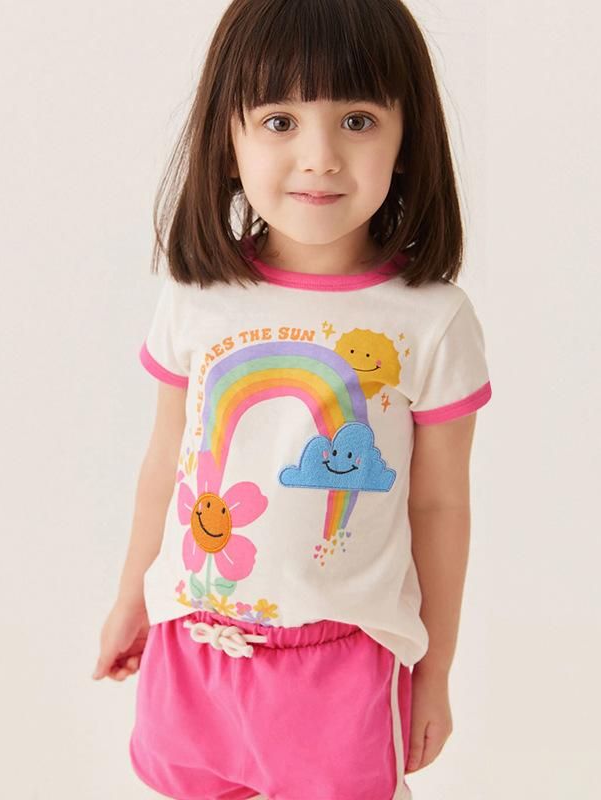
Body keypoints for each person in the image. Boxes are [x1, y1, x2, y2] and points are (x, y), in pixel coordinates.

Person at [92, 1, 493, 798]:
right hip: (193, 645)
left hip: (342, 663)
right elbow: (165, 463)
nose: (320, 158)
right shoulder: (198, 298)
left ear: (408, 140)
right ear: (228, 140)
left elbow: (440, 505)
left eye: (357, 120)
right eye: (280, 121)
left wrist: (435, 668)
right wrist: (132, 597)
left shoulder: (430, 320)